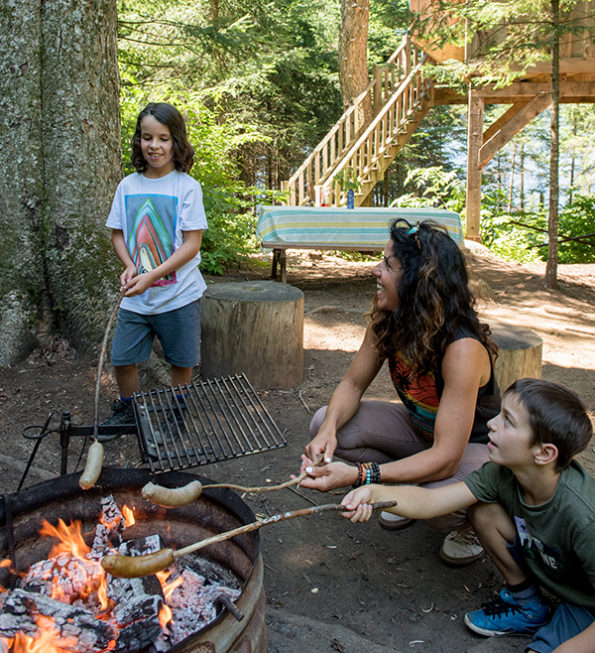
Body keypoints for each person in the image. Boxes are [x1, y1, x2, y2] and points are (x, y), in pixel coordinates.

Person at [300, 218, 501, 565]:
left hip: (473, 449)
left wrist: (361, 476)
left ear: (418, 282)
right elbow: (352, 384)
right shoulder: (388, 319)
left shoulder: (462, 349)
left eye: (388, 265)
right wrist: (330, 430)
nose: (375, 271)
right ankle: (410, 489)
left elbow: (447, 457)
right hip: (422, 433)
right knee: (322, 422)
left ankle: (467, 524)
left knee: (437, 506)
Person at [340, 378, 595, 652]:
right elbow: (433, 501)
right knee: (483, 510)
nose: (492, 424)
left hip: (587, 601)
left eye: (508, 420)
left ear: (544, 453)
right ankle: (527, 603)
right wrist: (374, 493)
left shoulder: (585, 517)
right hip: (556, 570)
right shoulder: (502, 474)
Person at [104, 102, 207, 425]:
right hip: (137, 296)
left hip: (179, 295)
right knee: (122, 357)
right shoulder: (128, 186)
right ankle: (128, 410)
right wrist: (131, 265)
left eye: (163, 138)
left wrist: (153, 275)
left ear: (176, 141)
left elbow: (192, 244)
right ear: (139, 141)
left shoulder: (186, 187)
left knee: (180, 359)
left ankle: (177, 411)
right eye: (148, 138)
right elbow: (118, 233)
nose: (155, 146)